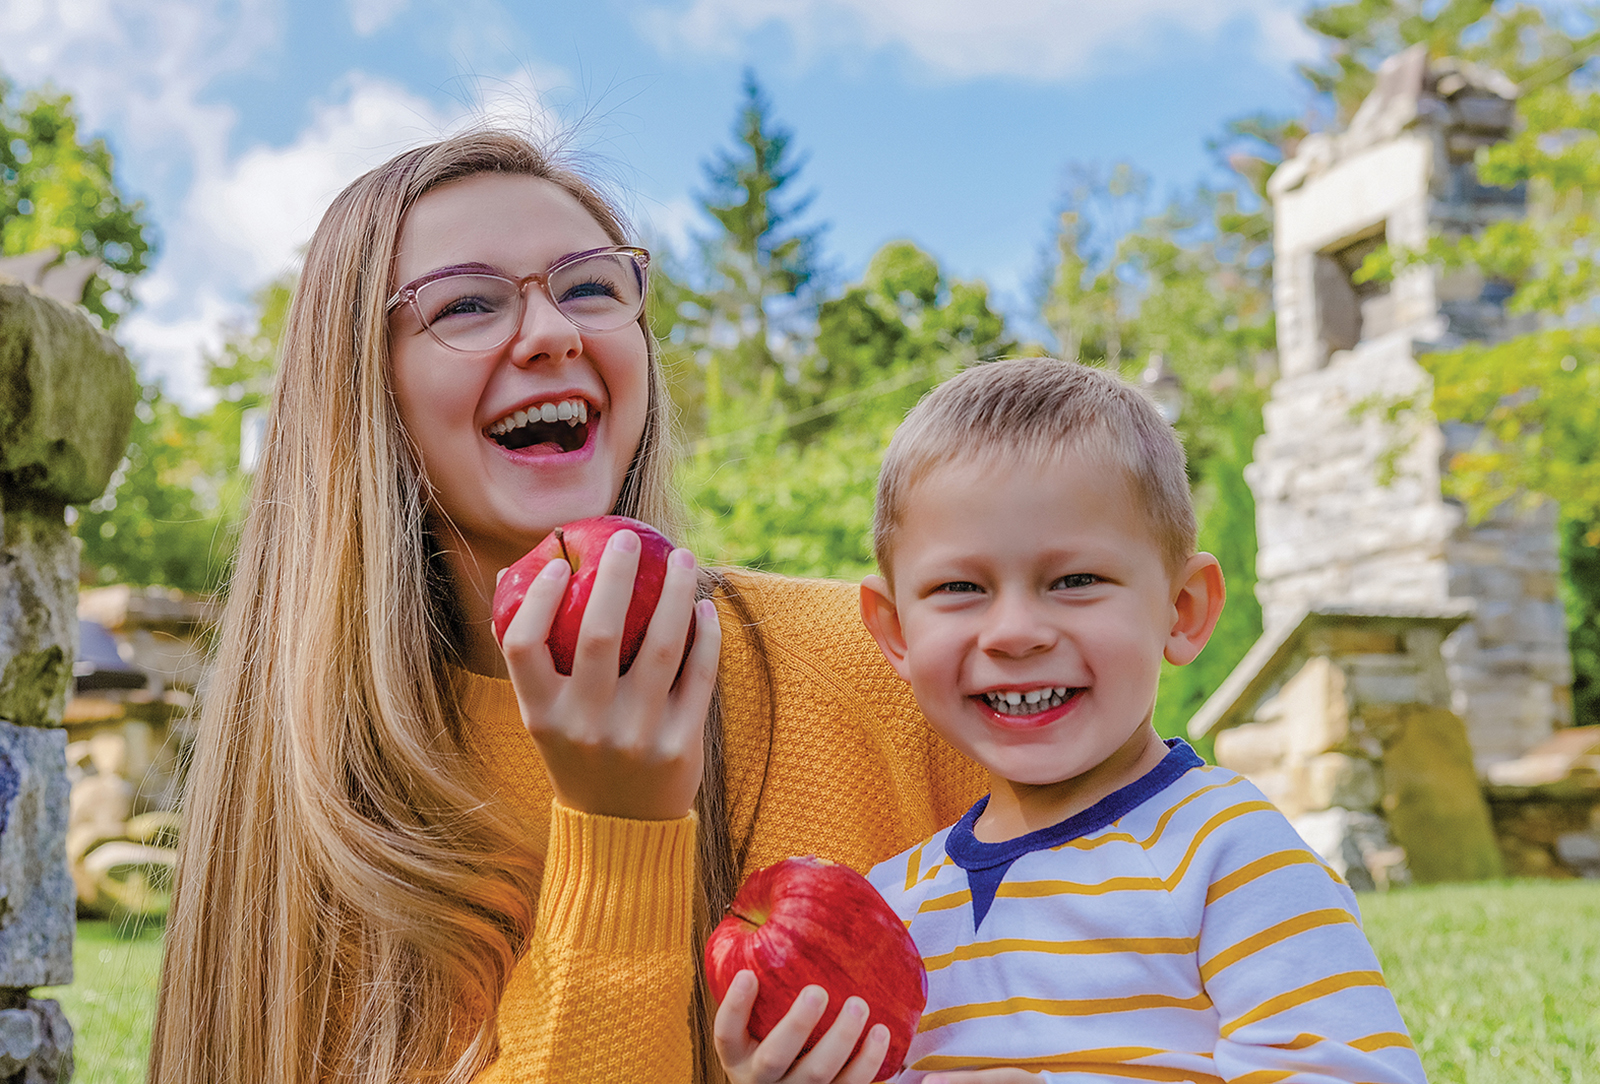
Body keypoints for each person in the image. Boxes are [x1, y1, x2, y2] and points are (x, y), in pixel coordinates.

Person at [148, 130, 987, 1084]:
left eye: (591, 287)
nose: (553, 331)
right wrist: (619, 829)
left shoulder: (887, 669)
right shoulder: (323, 806)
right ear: (362, 393)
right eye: (466, 303)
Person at [830, 358, 1423, 1083]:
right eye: (960, 587)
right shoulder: (890, 907)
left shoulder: (1228, 855)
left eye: (1075, 581)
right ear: (895, 632)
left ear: (1183, 610)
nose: (1015, 632)